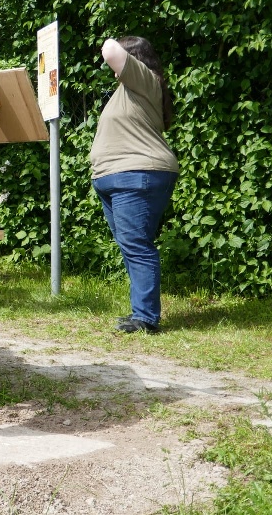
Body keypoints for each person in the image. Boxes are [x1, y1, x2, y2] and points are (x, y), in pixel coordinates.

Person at [89, 37, 178, 334]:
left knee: (137, 246)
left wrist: (121, 47)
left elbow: (109, 48)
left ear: (135, 59)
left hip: (137, 175)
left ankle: (146, 318)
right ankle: (141, 311)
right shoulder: (128, 89)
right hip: (118, 178)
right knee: (131, 246)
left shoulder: (145, 79)